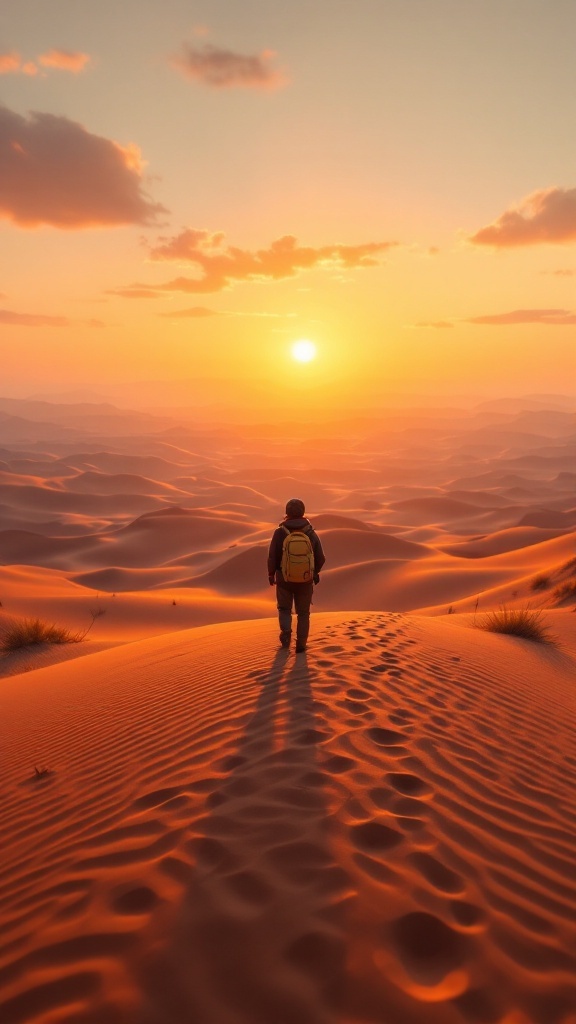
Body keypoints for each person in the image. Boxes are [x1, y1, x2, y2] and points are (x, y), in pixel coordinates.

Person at [267, 498, 325, 653]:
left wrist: (271, 574)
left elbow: (272, 556)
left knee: (284, 609)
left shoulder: (279, 532)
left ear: (287, 513)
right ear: (303, 512)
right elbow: (321, 557)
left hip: (284, 579)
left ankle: (286, 637)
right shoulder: (310, 533)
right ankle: (301, 644)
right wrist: (314, 572)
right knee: (303, 613)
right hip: (305, 580)